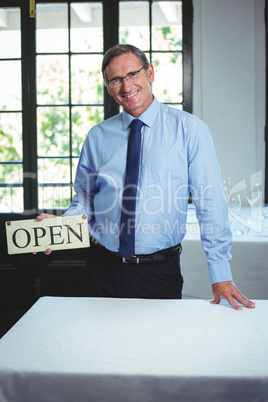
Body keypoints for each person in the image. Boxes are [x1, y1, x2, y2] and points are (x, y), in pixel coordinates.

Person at [37, 44, 255, 310]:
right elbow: (85, 199)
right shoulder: (97, 136)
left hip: (158, 272)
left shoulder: (190, 130)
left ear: (149, 73)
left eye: (132, 74)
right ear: (108, 88)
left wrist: (220, 272)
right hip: (101, 267)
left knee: (159, 350)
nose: (126, 86)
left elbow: (210, 203)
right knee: (101, 347)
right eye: (115, 80)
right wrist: (61, 226)